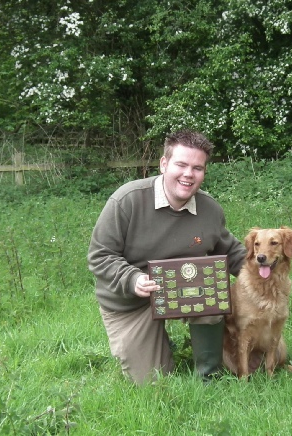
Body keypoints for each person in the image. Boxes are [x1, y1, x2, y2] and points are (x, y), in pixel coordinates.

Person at [88, 129, 246, 384]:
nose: (188, 174)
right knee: (153, 382)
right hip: (132, 302)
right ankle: (158, 343)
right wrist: (132, 279)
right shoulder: (127, 200)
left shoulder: (209, 209)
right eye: (181, 164)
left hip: (183, 290)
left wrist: (266, 271)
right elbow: (100, 255)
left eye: (197, 168)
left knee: (213, 284)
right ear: (164, 164)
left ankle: (209, 374)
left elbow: (232, 252)